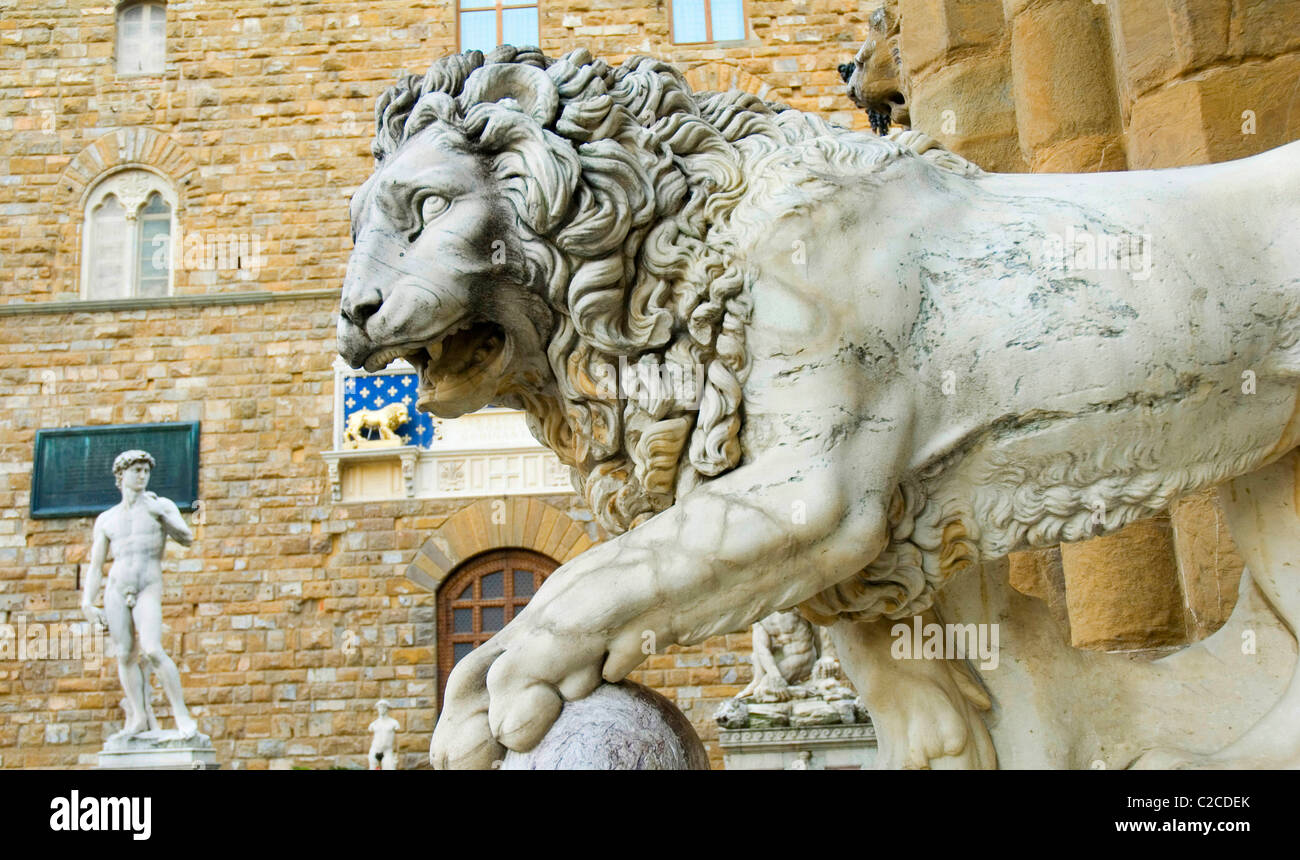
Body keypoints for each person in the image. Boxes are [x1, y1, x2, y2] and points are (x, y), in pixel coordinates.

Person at [82, 450, 198, 740]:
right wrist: (87, 602)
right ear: (121, 476)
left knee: (152, 649)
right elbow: (96, 566)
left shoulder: (161, 506)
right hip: (117, 587)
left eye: (146, 471)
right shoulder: (107, 519)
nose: (143, 476)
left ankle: (181, 714)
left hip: (147, 585)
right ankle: (138, 716)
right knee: (124, 654)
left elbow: (187, 538)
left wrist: (162, 516)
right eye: (136, 470)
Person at [368, 700, 400, 770]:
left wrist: (396, 753)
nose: (381, 709)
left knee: (390, 767)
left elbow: (397, 741)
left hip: (387, 751)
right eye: (380, 707)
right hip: (375, 749)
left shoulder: (393, 723)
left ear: (387, 709)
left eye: (384, 707)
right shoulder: (374, 724)